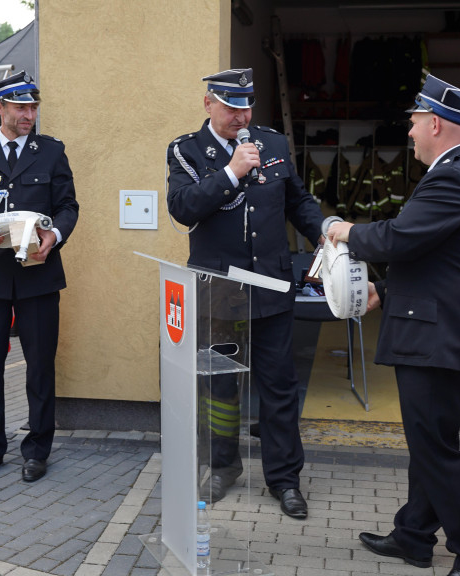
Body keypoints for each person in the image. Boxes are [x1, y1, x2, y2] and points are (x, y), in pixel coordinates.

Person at [326, 74, 460, 575]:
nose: (410, 133)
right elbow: (434, 256)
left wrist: (345, 231)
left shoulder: (455, 176)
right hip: (440, 335)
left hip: (438, 341)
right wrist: (385, 291)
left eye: (416, 123)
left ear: (438, 124)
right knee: (431, 445)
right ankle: (414, 537)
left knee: (436, 452)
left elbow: (399, 239)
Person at [167, 68, 323, 519]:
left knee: (279, 386)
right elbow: (182, 208)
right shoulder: (186, 150)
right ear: (208, 104)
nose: (241, 116)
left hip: (272, 288)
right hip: (219, 291)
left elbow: (297, 202)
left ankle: (284, 478)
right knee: (220, 384)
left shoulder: (272, 143)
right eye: (232, 106)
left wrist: (327, 230)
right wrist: (233, 173)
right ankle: (222, 465)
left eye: (246, 106)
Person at [0, 71, 79, 482]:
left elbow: (67, 206)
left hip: (37, 274)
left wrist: (54, 236)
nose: (29, 114)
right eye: (21, 107)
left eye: (33, 107)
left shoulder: (51, 151)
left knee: (39, 365)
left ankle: (37, 449)